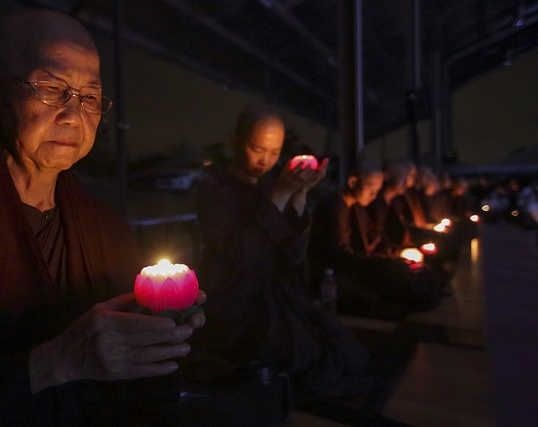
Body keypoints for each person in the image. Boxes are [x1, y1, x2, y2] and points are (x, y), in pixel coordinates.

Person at [0, 8, 205, 425]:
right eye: (50, 87)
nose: (73, 114)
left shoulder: (106, 229)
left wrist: (159, 333)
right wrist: (54, 362)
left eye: (90, 97)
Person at [186, 103, 408, 426]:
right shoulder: (214, 187)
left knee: (341, 343)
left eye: (274, 152)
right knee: (302, 355)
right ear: (235, 140)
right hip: (236, 301)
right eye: (256, 149)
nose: (265, 161)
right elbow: (241, 254)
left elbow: (291, 256)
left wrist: (300, 196)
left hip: (277, 294)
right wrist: (280, 195)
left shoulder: (269, 184)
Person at [308, 159, 440, 319]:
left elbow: (373, 239)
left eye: (377, 191)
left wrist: (397, 253)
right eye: (371, 189)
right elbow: (338, 255)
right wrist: (383, 263)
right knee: (402, 276)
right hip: (336, 275)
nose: (374, 196)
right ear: (352, 182)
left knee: (417, 270)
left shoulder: (355, 206)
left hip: (357, 264)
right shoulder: (334, 207)